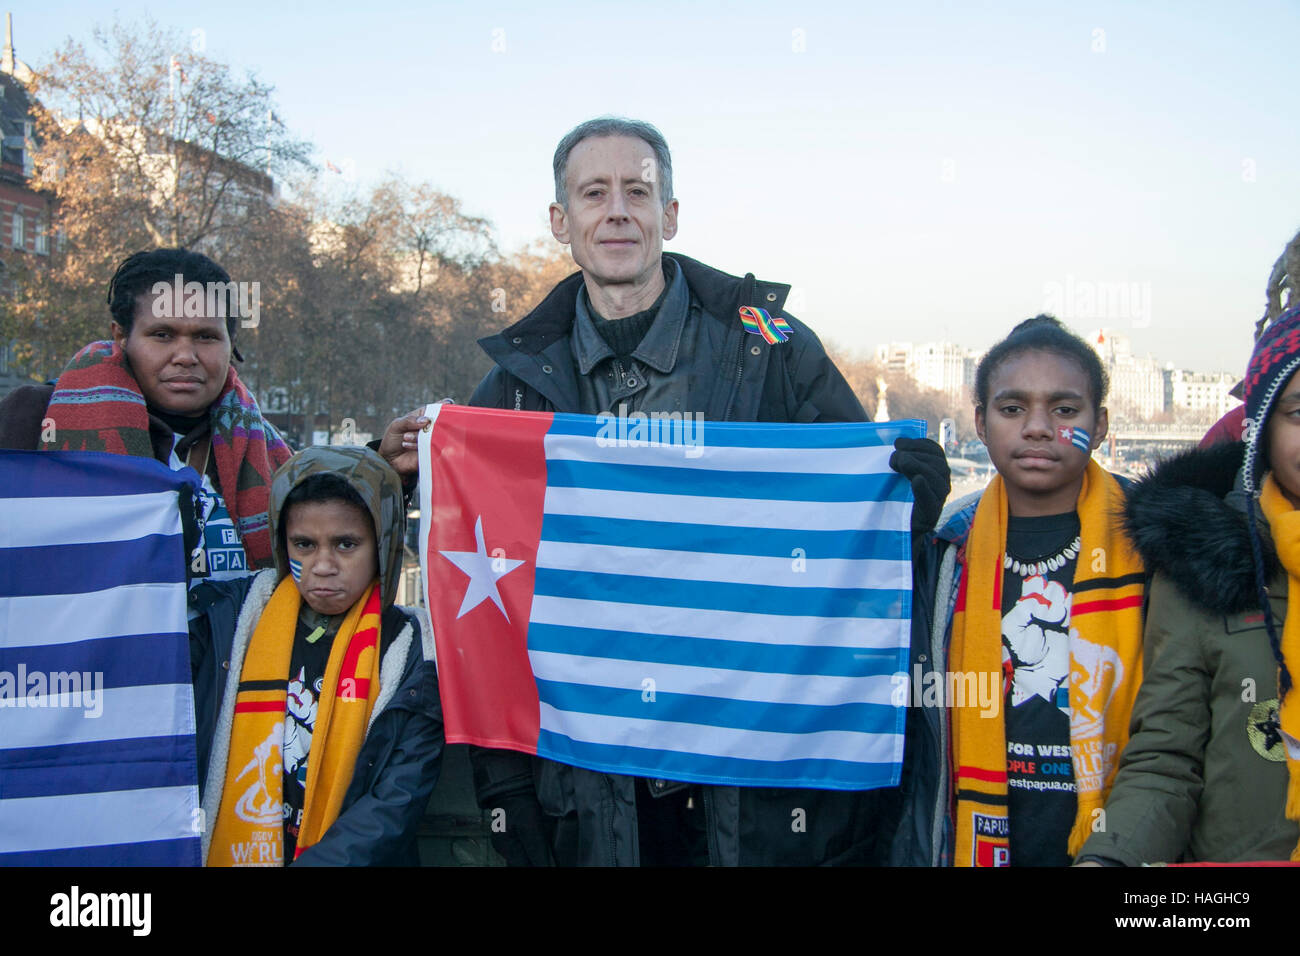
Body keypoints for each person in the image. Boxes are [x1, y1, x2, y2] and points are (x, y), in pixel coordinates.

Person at [377, 116, 950, 866]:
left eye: (637, 191)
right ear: (561, 221)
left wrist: (911, 503)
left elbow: (856, 546)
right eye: (594, 193)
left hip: (749, 778)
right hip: (588, 783)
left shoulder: (771, 346)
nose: (617, 210)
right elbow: (480, 607)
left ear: (669, 214)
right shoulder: (513, 387)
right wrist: (385, 471)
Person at [891, 315, 1146, 866]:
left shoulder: (1157, 543)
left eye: (1064, 410)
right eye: (1012, 409)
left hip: (1125, 844)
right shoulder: (944, 547)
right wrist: (901, 543)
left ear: (1100, 425)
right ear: (980, 423)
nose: (1037, 427)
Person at [1075, 304, 1300, 865]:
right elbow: (1166, 763)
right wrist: (1110, 859)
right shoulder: (1204, 561)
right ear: (1263, 428)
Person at [191, 444, 444, 866]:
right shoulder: (232, 618)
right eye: (303, 545)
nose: (322, 565)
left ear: (383, 546)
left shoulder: (413, 651)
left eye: (346, 544)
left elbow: (392, 805)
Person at [0, 248, 292, 580]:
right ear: (121, 337)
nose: (185, 356)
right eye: (162, 335)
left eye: (206, 337)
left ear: (231, 344)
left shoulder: (271, 452)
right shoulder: (33, 418)